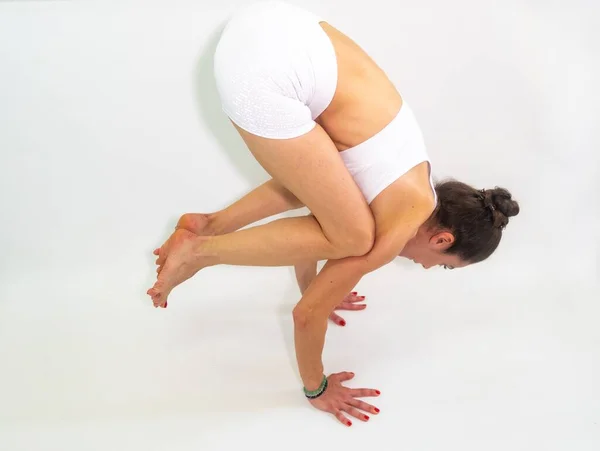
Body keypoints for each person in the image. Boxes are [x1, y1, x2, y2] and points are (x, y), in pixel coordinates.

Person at [147, 1, 519, 426]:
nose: (427, 267)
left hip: (269, 29)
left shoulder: (407, 175)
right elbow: (307, 314)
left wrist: (321, 286)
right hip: (265, 71)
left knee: (337, 216)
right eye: (443, 266)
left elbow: (310, 210)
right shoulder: (390, 233)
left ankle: (208, 225)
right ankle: (199, 250)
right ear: (442, 240)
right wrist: (316, 386)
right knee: (354, 236)